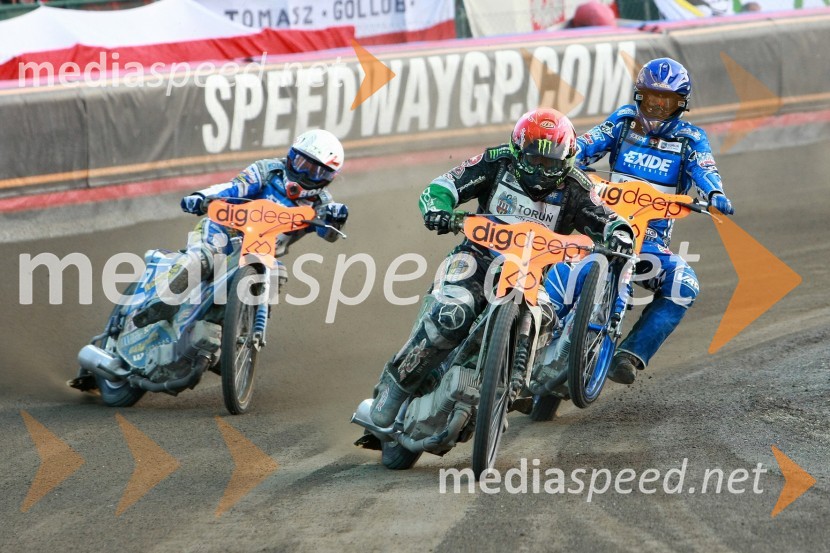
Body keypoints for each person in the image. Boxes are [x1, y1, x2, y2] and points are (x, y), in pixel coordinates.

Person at [368, 108, 633, 428]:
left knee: (545, 320)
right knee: (453, 313)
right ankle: (394, 388)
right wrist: (439, 209)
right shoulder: (496, 161)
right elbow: (444, 185)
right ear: (517, 152)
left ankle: (511, 385)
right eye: (534, 160)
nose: (541, 171)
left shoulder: (577, 186)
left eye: (550, 164)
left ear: (566, 161)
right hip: (476, 259)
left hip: (532, 276)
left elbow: (611, 220)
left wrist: (620, 236)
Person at [572, 57, 734, 384]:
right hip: (599, 225)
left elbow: (705, 168)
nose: (658, 106)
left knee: (684, 285)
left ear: (681, 104)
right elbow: (585, 145)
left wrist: (715, 193)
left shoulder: (690, 139)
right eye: (651, 98)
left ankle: (629, 354)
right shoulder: (623, 121)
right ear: (639, 96)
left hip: (648, 244)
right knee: (550, 263)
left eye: (667, 100)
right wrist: (565, 157)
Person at [132, 129, 349, 328]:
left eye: (315, 172)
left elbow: (329, 234)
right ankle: (161, 302)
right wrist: (202, 197)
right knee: (203, 257)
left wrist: (337, 219)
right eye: (302, 164)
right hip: (223, 232)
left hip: (261, 253)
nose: (303, 175)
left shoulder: (322, 204)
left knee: (277, 272)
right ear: (292, 157)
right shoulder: (267, 170)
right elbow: (233, 187)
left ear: (327, 178)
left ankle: (241, 330)